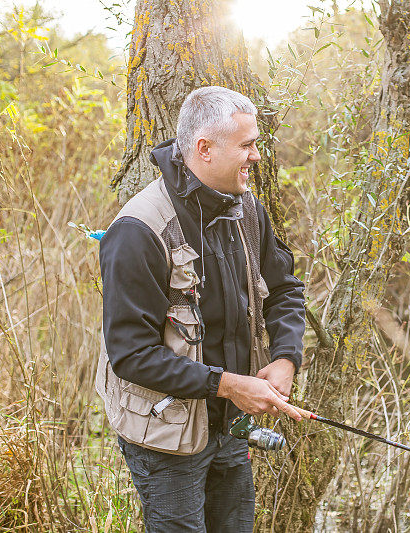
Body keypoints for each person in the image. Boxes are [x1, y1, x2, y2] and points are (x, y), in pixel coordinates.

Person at [99, 86, 305, 532]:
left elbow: (285, 289)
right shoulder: (138, 230)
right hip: (165, 438)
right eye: (247, 145)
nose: (256, 156)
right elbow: (130, 355)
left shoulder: (247, 209)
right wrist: (229, 385)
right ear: (204, 148)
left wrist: (286, 357)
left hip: (230, 425)